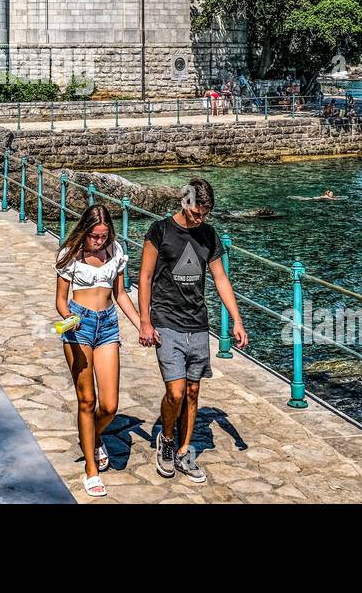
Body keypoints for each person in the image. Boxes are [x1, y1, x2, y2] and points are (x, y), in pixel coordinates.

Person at [137, 179, 248, 484]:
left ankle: (185, 450)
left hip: (197, 322)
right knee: (175, 391)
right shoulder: (159, 231)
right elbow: (145, 277)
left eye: (206, 214)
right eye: (198, 213)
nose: (201, 219)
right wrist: (145, 321)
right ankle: (168, 439)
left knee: (193, 390)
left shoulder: (209, 235)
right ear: (185, 203)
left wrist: (237, 320)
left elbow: (221, 279)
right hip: (165, 319)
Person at [55, 204, 141, 498]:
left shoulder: (115, 251)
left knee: (109, 405)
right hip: (78, 325)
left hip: (107, 326)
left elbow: (119, 294)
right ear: (84, 231)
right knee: (87, 400)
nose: (99, 241)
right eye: (94, 236)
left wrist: (142, 323)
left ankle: (91, 436)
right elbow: (60, 301)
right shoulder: (70, 254)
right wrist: (69, 320)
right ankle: (91, 470)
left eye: (103, 236)